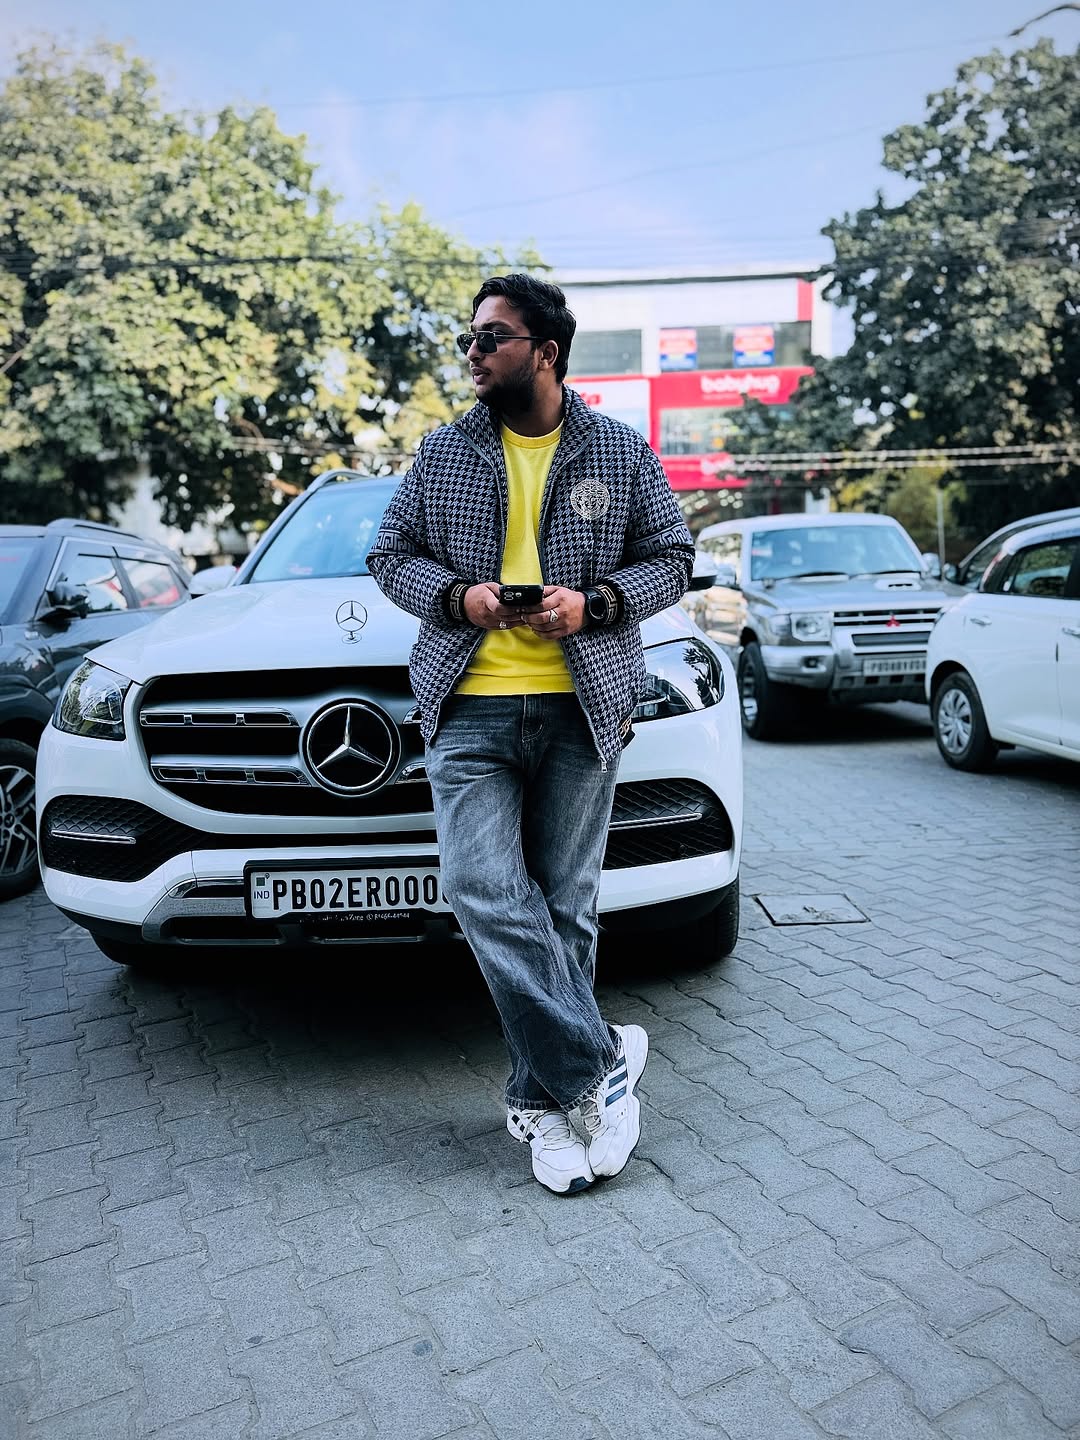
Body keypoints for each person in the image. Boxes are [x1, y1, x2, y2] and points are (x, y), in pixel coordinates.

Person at [368, 274, 694, 1195]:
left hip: (582, 703)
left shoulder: (618, 450)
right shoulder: (444, 451)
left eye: (491, 338)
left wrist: (596, 605)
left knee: (565, 908)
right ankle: (599, 1065)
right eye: (469, 338)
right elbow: (389, 555)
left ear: (545, 352)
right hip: (468, 701)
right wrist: (458, 598)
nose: (472, 352)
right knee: (479, 887)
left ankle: (544, 1105)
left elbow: (673, 558)